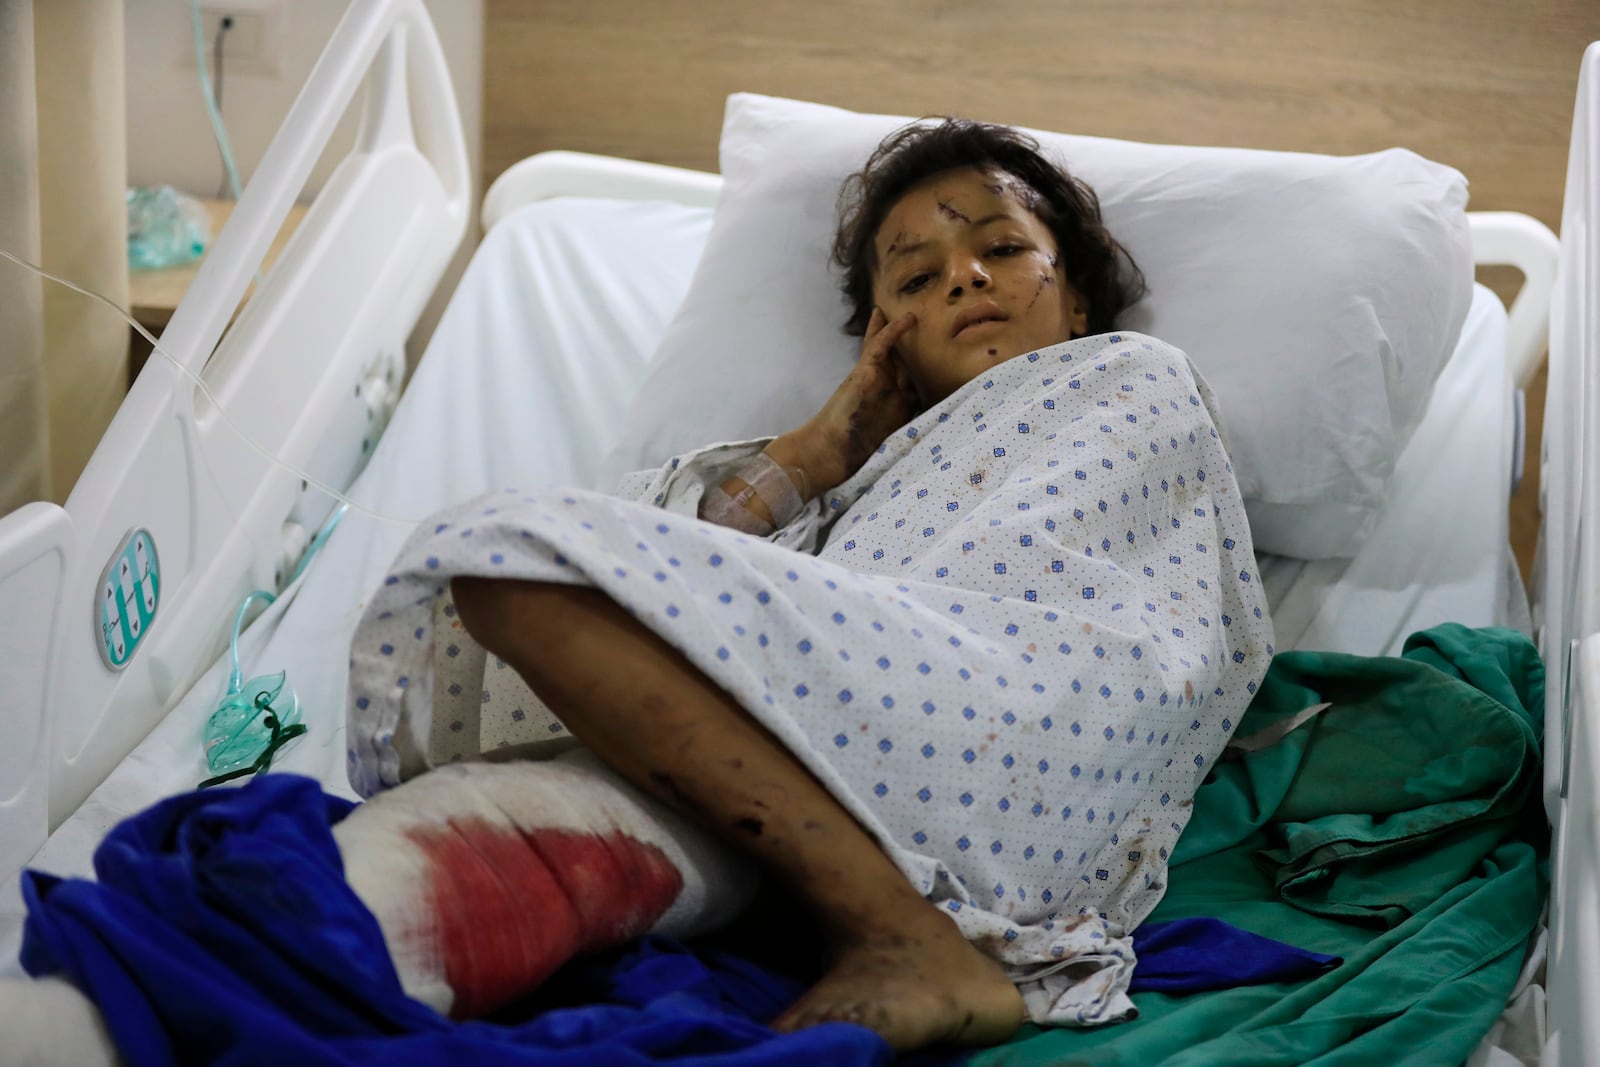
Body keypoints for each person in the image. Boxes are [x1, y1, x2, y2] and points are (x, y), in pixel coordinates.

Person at [347, 118, 1274, 1052]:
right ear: (888, 342)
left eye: (1001, 247)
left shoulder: (1131, 374)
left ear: (1077, 299)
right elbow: (668, 580)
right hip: (852, 724)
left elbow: (1136, 615)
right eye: (917, 278)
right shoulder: (856, 486)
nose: (965, 276)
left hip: (1023, 718)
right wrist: (813, 456)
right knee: (508, 567)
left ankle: (900, 934)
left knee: (509, 553)